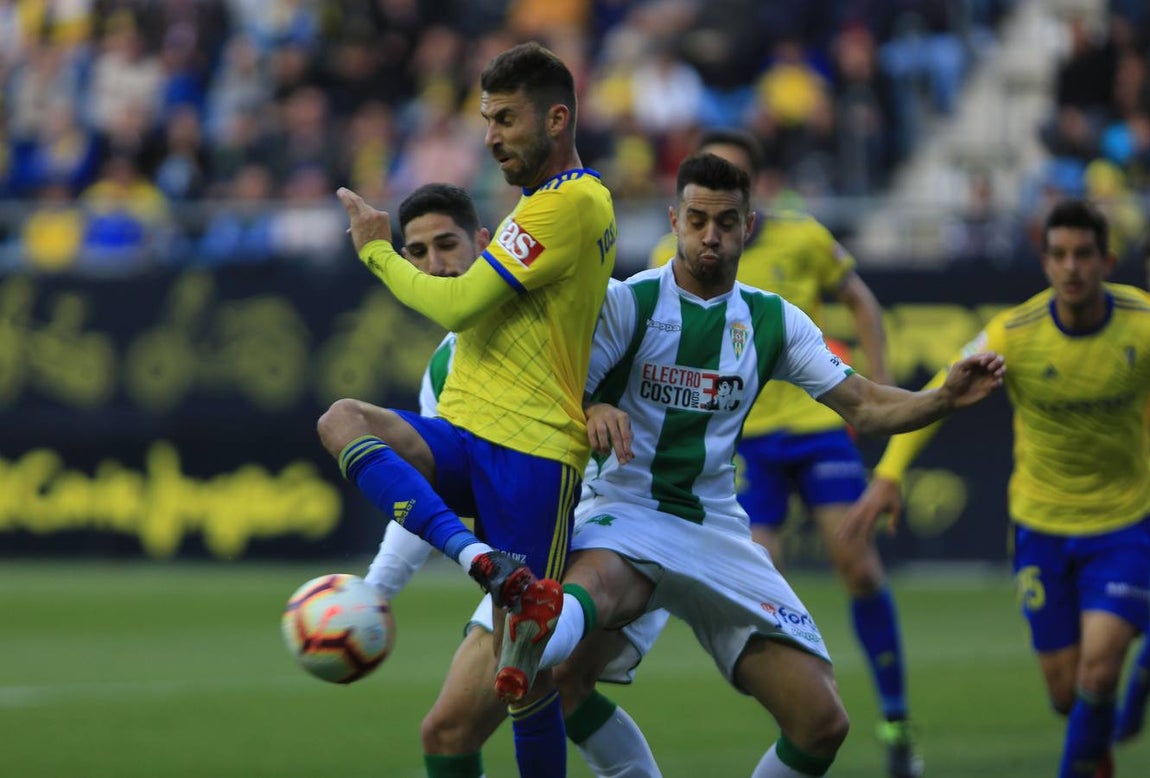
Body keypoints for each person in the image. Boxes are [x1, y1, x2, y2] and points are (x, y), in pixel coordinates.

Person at [519, 152, 1005, 777]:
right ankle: (524, 644)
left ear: (749, 225)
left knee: (822, 723)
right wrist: (593, 408)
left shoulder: (775, 320)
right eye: (696, 220)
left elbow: (864, 405)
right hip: (626, 512)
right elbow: (559, 392)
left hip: (716, 529)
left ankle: (530, 646)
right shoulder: (626, 303)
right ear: (674, 220)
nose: (710, 236)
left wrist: (941, 398)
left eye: (725, 222)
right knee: (571, 652)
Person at [319, 41, 617, 777]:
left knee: (527, 676)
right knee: (341, 419)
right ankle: (476, 556)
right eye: (486, 119)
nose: (490, 136)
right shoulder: (539, 208)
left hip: (533, 459)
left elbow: (459, 302)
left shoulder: (571, 202)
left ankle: (500, 578)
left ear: (557, 117)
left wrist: (378, 252)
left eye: (507, 118)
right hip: (467, 436)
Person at [840, 199, 1150, 778]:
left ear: (1106, 261)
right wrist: (888, 474)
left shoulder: (1142, 323)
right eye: (1059, 255)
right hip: (1042, 529)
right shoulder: (1017, 332)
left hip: (1125, 526)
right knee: (1068, 695)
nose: (1072, 267)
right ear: (1044, 261)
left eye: (1084, 254)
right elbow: (944, 389)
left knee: (1098, 672)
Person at [363, 181, 663, 778]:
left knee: (546, 676)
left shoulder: (588, 300)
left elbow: (639, 381)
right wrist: (376, 592)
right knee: (449, 731)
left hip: (616, 525)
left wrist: (595, 404)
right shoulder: (448, 365)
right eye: (416, 254)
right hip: (523, 548)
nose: (435, 266)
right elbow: (428, 496)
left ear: (485, 242)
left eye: (446, 245)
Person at [649, 128, 923, 777]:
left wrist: (877, 392)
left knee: (854, 560)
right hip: (746, 438)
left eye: (733, 188)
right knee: (751, 579)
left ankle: (896, 719)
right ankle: (797, 716)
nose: (715, 218)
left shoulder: (803, 236)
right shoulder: (672, 255)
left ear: (752, 195)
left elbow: (862, 300)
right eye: (703, 202)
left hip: (816, 421)